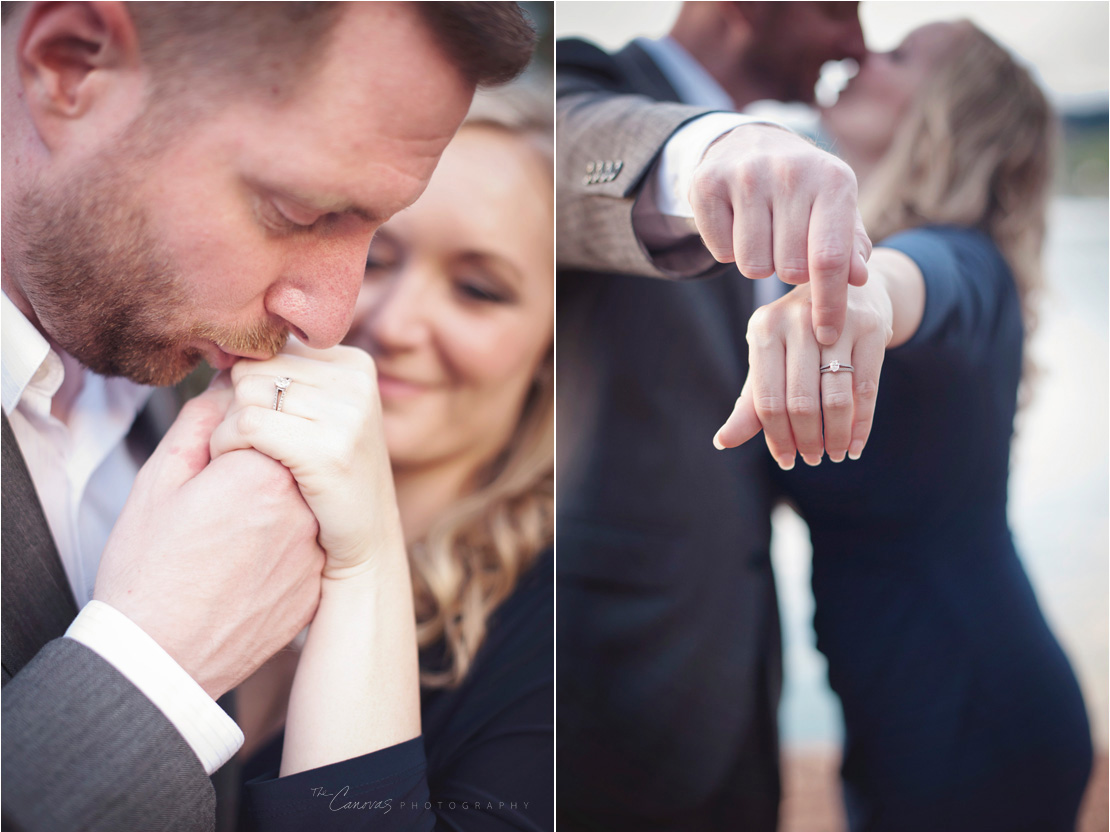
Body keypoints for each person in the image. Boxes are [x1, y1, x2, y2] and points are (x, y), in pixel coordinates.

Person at [0, 4, 534, 831]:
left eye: (372, 232)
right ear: (69, 64)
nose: (336, 319)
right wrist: (153, 670)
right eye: (298, 212)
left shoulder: (193, 387)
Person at [715, 21, 1093, 832]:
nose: (858, 58)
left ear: (948, 113)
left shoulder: (964, 259)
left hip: (974, 704)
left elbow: (927, 286)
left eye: (895, 56)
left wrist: (865, 296)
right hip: (891, 693)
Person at [555, 3, 867, 829]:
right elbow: (569, 147)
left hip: (739, 679)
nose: (858, 44)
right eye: (840, 10)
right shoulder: (583, 81)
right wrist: (707, 149)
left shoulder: (794, 182)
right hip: (599, 694)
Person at [208, 87, 554, 831]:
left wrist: (366, 564)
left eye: (477, 290)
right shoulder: (191, 498)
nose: (393, 325)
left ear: (550, 352)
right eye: (376, 256)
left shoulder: (560, 623)